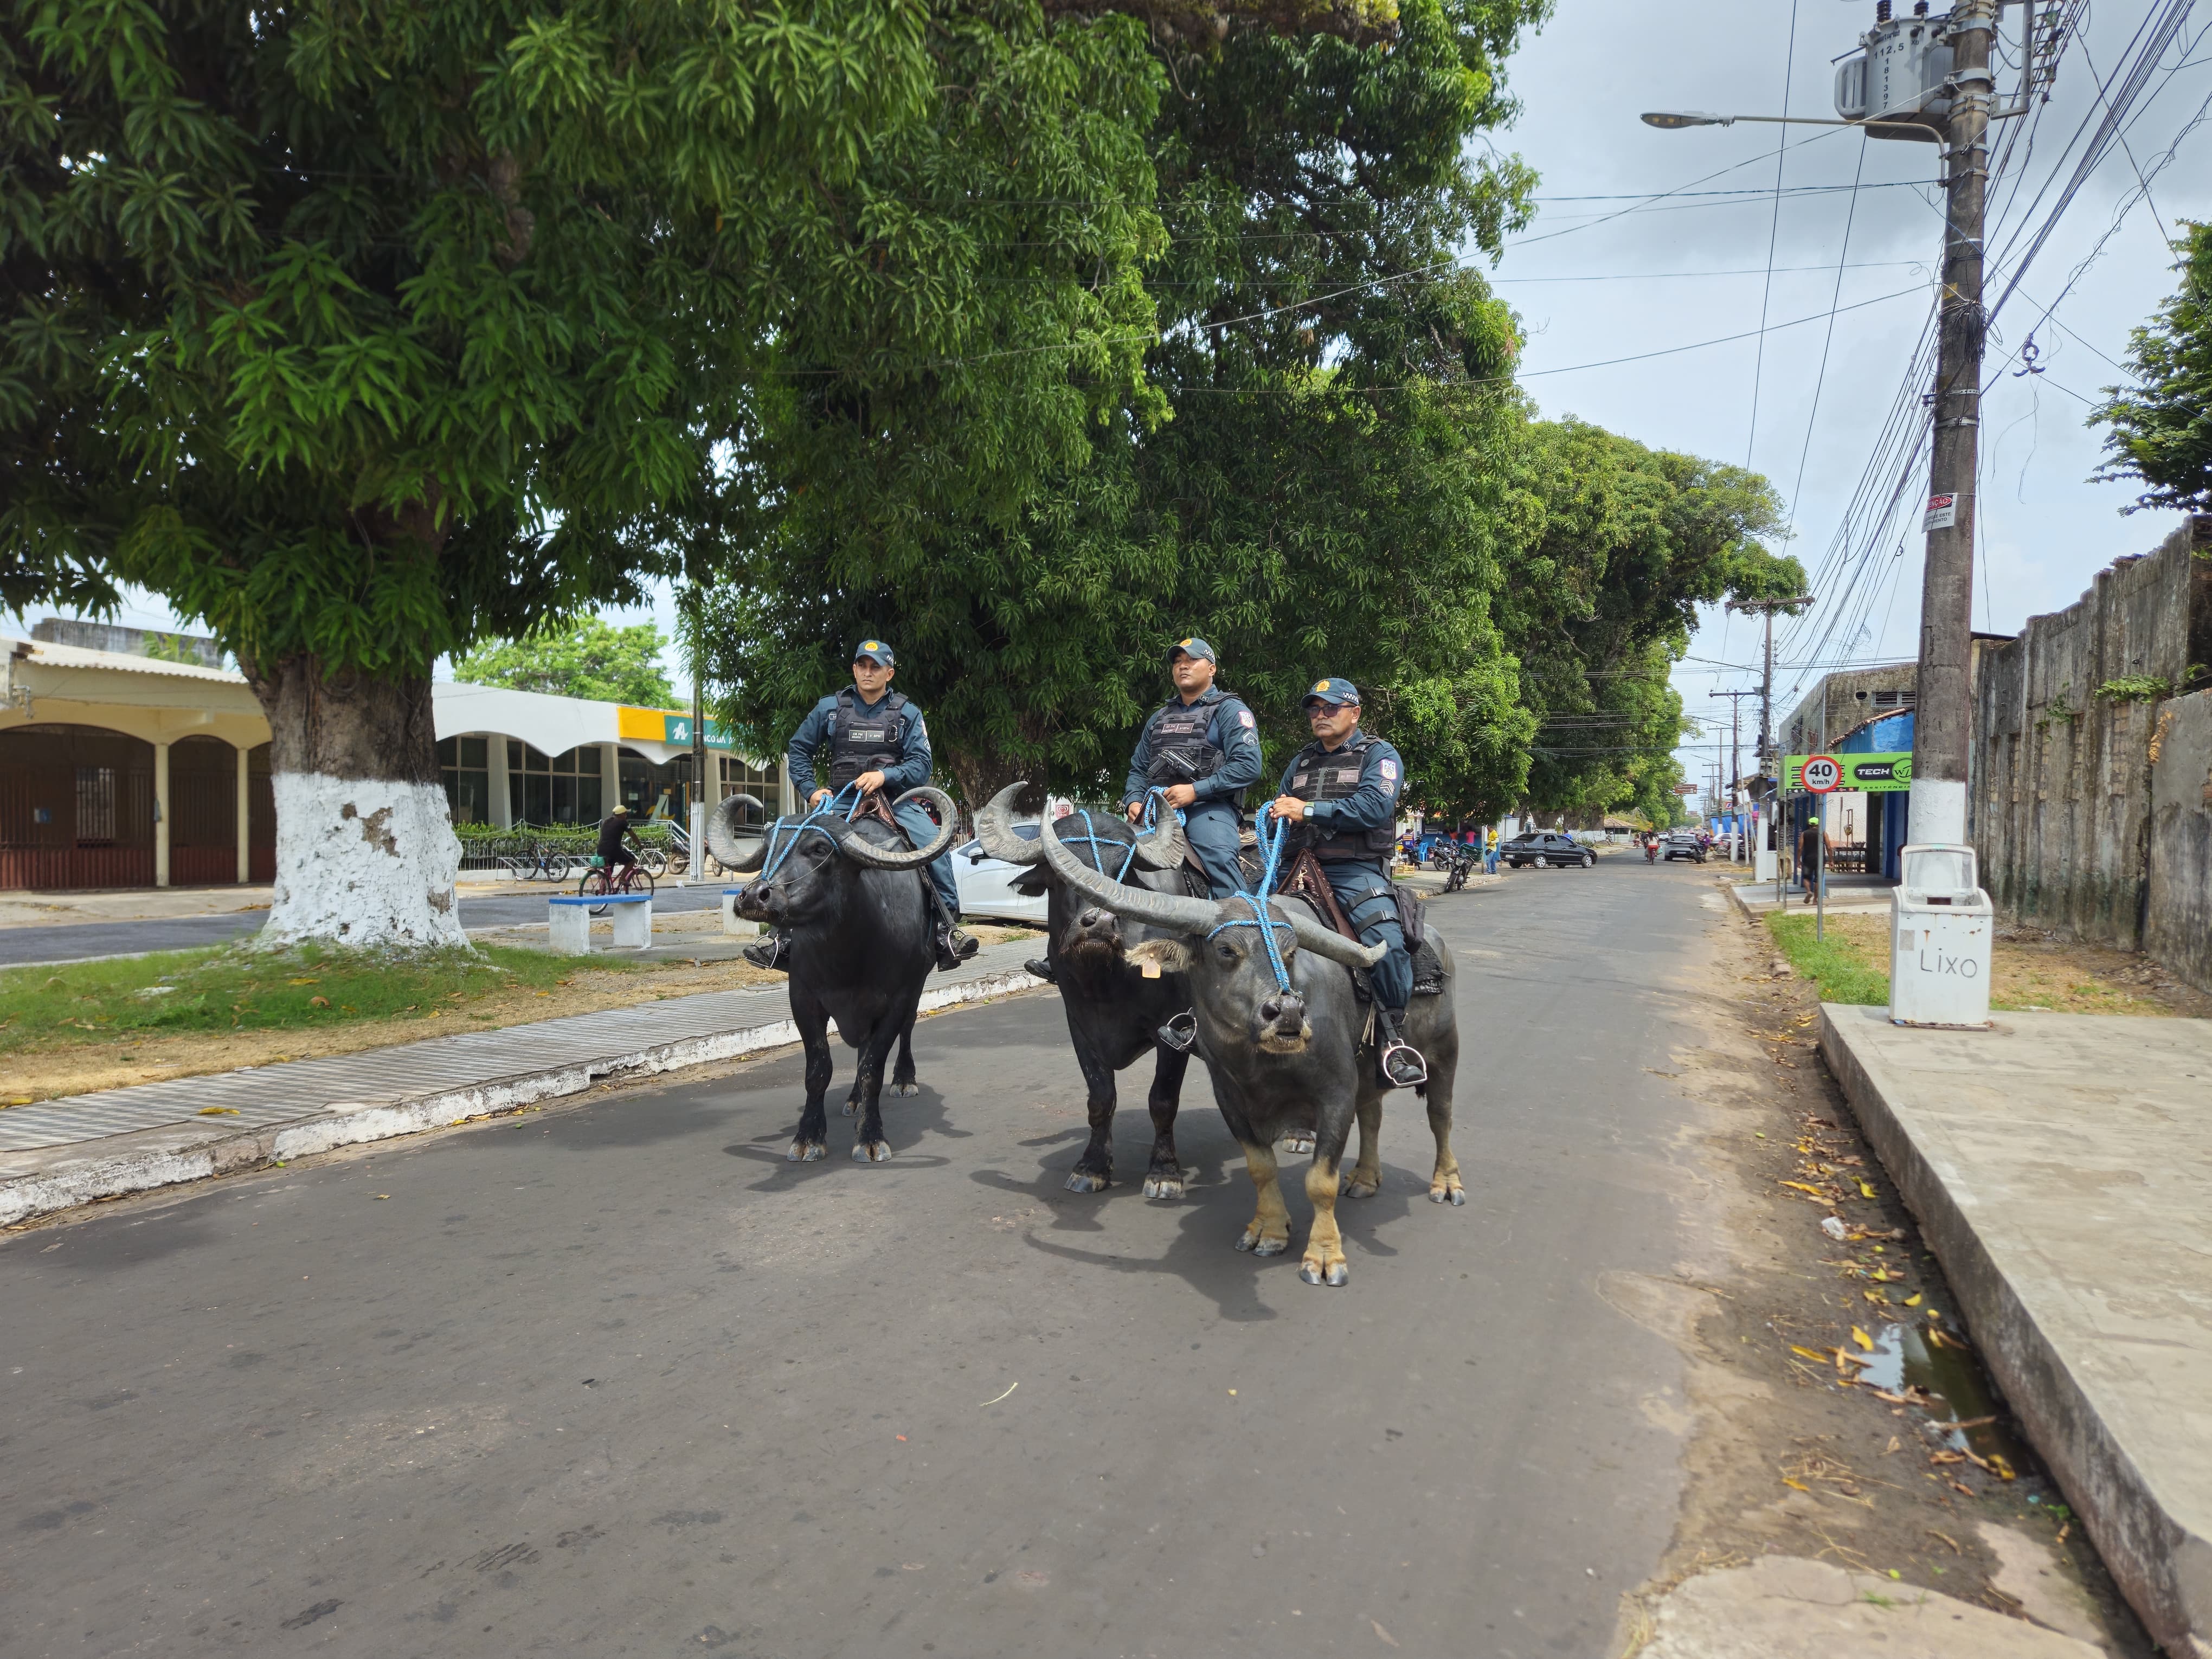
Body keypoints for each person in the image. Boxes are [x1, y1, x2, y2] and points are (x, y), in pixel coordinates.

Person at [743, 640, 977, 974]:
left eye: (876, 667)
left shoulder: (908, 713)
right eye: (862, 666)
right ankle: (781, 939)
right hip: (840, 801)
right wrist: (811, 791)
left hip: (895, 802)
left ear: (889, 672)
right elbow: (798, 750)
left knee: (933, 848)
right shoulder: (830, 708)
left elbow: (921, 764)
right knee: (794, 848)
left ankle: (945, 930)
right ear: (854, 669)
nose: (868, 672)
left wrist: (885, 775)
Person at [1267, 677, 1426, 1089]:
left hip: (1353, 871)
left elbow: (1376, 806)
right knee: (1238, 930)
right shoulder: (1300, 762)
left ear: (1354, 714)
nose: (1320, 716)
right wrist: (1275, 818)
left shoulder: (1380, 756)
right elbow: (1284, 806)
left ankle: (1393, 1040)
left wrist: (1309, 810)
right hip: (1295, 867)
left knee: (1385, 946)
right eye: (1314, 709)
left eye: (1330, 708)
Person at [595, 802, 643, 878]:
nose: (626, 816)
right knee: (631, 861)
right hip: (614, 850)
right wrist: (640, 845)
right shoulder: (623, 822)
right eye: (625, 814)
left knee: (609, 872)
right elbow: (633, 835)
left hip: (601, 850)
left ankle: (603, 888)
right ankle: (623, 879)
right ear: (621, 814)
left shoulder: (606, 821)